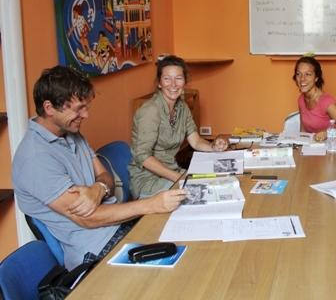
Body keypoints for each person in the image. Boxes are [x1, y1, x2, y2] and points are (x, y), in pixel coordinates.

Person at [12, 66, 186, 270]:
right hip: (97, 247)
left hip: (119, 224)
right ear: (49, 108)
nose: (86, 115)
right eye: (79, 109)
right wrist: (151, 205)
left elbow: (105, 175)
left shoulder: (70, 132)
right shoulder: (35, 158)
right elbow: (89, 219)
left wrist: (98, 188)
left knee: (185, 234)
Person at [129, 55, 228, 199]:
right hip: (148, 180)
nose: (173, 84)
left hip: (172, 172)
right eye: (167, 79)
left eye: (178, 78)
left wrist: (213, 147)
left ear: (184, 81)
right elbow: (143, 157)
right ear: (159, 83)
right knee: (201, 195)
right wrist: (179, 178)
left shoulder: (182, 107)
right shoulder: (150, 111)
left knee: (218, 185)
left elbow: (195, 141)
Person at [292, 56, 336, 141]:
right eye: (298, 74)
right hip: (313, 146)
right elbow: (303, 131)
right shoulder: (301, 100)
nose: (302, 79)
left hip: (331, 146)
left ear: (316, 78)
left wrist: (328, 133)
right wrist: (300, 144)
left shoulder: (326, 101)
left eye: (308, 74)